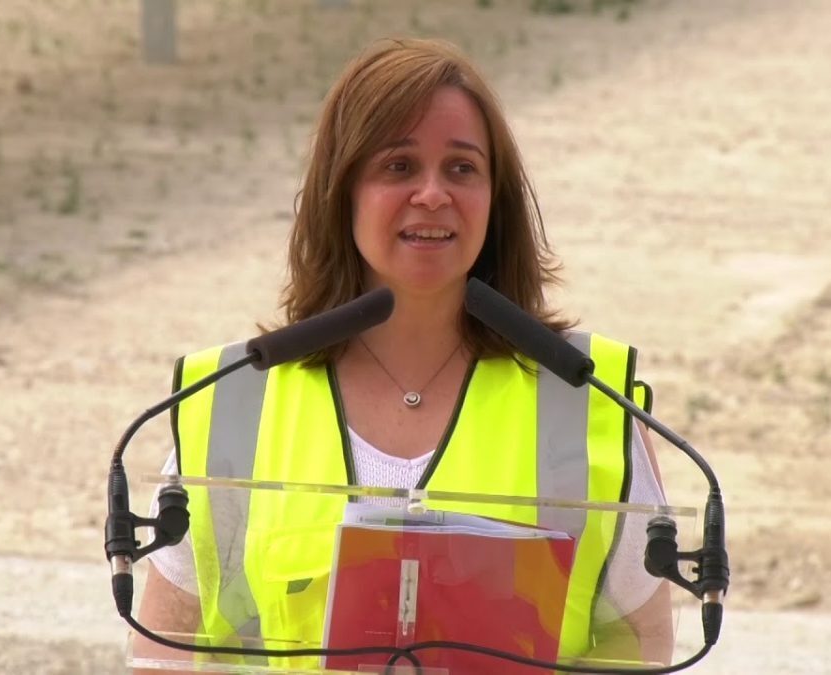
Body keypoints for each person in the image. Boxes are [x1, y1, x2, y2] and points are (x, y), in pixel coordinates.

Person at [136, 37, 674, 670]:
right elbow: (164, 654)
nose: (431, 194)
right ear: (343, 193)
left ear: (493, 200)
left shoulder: (585, 396)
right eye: (397, 166)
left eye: (461, 168)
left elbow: (639, 650)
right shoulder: (232, 400)